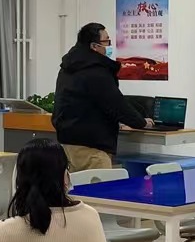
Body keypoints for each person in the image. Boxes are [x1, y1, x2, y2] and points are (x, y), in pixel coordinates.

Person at [52, 23, 152, 172]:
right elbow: (115, 103)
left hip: (68, 144)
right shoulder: (96, 71)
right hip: (92, 148)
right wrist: (140, 122)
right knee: (99, 187)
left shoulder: (68, 68)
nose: (109, 46)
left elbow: (86, 103)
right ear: (94, 46)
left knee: (75, 186)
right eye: (107, 41)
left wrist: (117, 122)